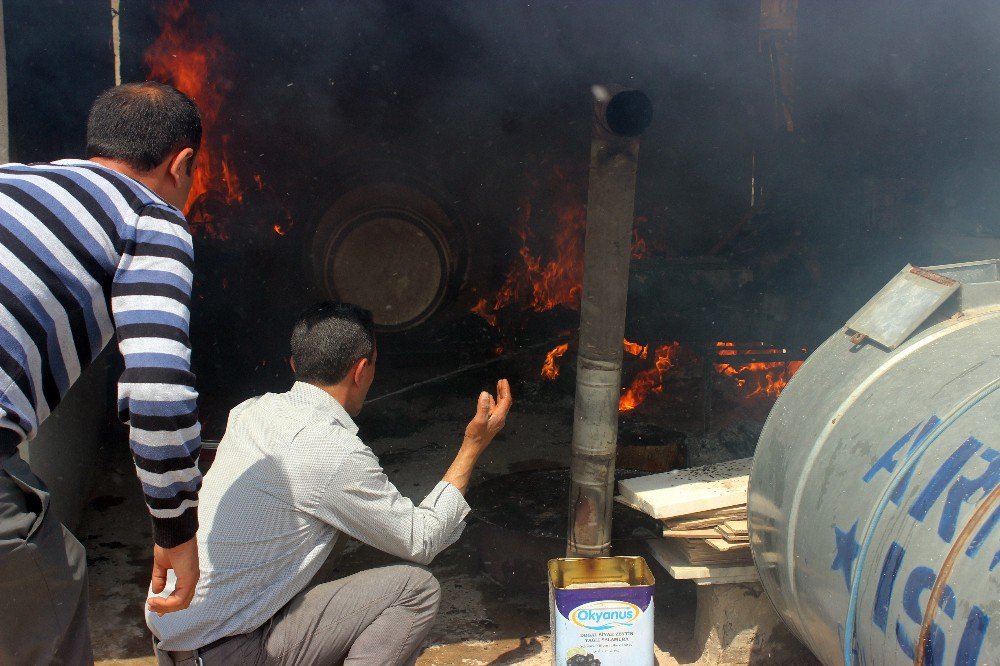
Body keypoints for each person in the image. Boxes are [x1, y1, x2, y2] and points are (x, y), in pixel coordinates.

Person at [147, 302, 513, 665]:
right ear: (361, 370)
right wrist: (473, 445)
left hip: (175, 643)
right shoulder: (332, 451)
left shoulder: (249, 411)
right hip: (227, 652)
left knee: (324, 539)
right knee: (415, 591)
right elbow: (422, 539)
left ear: (293, 366)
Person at [0, 81, 205, 665]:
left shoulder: (10, 181)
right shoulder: (149, 216)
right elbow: (159, 391)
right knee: (49, 598)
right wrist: (175, 529)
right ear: (182, 162)